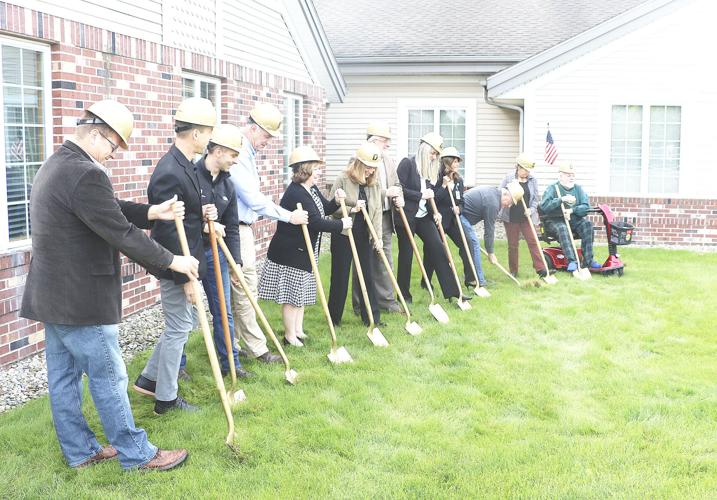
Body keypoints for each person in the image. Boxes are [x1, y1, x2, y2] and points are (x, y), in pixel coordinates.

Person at [20, 99, 196, 471]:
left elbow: (105, 208)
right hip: (82, 300)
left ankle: (80, 451)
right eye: (114, 147)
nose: (114, 155)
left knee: (64, 379)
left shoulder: (58, 163)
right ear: (98, 135)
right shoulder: (87, 173)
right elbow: (120, 231)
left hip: (53, 296)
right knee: (109, 377)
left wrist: (152, 212)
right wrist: (172, 259)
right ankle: (138, 453)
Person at [134, 97, 218, 415]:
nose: (209, 139)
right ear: (195, 133)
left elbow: (188, 215)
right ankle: (166, 399)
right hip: (174, 265)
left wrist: (204, 210)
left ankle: (149, 379)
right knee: (179, 328)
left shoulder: (187, 165)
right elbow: (168, 230)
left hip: (189, 260)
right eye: (208, 132)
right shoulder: (170, 170)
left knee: (180, 324)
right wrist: (184, 277)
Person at [230, 103, 308, 361]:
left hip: (243, 229)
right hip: (236, 231)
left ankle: (232, 345)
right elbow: (252, 199)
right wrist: (289, 216)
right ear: (253, 128)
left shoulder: (248, 152)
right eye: (266, 136)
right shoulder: (239, 153)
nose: (268, 142)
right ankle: (258, 349)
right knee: (246, 291)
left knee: (239, 292)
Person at [258, 146, 350, 346]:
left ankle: (298, 330)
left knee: (301, 293)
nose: (319, 172)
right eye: (316, 168)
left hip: (305, 250)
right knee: (292, 296)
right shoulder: (296, 193)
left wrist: (335, 201)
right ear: (306, 169)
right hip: (291, 252)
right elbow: (315, 222)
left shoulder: (311, 189)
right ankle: (289, 336)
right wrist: (341, 224)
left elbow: (323, 209)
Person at [194, 124, 254, 379]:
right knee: (185, 315)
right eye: (233, 155)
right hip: (190, 252)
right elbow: (179, 220)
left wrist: (236, 262)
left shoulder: (227, 185)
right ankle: (179, 368)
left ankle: (231, 364)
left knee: (223, 310)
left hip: (216, 254)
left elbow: (231, 227)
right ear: (217, 151)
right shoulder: (191, 176)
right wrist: (203, 225)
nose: (235, 160)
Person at [394, 132, 463, 303]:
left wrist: (436, 212)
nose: (434, 157)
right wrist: (420, 195)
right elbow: (399, 189)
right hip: (407, 216)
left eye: (436, 155)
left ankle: (453, 292)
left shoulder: (435, 168)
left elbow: (434, 194)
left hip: (424, 216)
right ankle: (404, 295)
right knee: (406, 255)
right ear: (424, 149)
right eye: (432, 153)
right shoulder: (407, 164)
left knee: (438, 248)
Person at [350, 121, 403, 315]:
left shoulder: (387, 160)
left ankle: (387, 301)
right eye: (384, 141)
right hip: (365, 218)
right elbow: (361, 190)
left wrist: (399, 196)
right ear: (373, 141)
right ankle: (360, 304)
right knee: (362, 261)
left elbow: (396, 183)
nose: (388, 145)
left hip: (386, 216)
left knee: (385, 259)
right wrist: (385, 193)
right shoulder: (356, 160)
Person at [328, 142, 383, 327]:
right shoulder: (343, 178)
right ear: (359, 164)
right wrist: (352, 208)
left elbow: (377, 211)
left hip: (363, 233)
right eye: (368, 167)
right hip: (344, 232)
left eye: (374, 168)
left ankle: (371, 318)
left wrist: (378, 237)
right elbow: (331, 209)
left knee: (367, 275)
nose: (371, 172)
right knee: (340, 276)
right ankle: (334, 319)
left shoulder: (374, 183)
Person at [424, 146, 475, 289]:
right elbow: (432, 200)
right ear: (446, 162)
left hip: (452, 219)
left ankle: (470, 279)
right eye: (455, 162)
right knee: (433, 250)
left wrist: (460, 208)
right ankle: (425, 280)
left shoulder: (459, 180)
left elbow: (461, 201)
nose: (457, 164)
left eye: (458, 162)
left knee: (467, 243)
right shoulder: (436, 178)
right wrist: (444, 186)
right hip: (438, 218)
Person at [539, 163, 601, 272]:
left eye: (573, 175)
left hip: (574, 219)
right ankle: (571, 261)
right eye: (568, 175)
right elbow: (544, 206)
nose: (571, 177)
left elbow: (586, 207)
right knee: (563, 228)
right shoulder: (553, 188)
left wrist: (572, 210)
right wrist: (560, 200)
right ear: (561, 176)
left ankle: (588, 261)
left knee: (587, 225)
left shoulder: (578, 189)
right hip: (555, 220)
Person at [498, 153, 548, 279]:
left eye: (528, 170)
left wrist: (531, 210)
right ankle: (513, 270)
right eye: (525, 170)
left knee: (533, 241)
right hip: (511, 216)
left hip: (526, 217)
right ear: (518, 167)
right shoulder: (509, 177)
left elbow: (536, 199)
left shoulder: (533, 180)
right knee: (513, 244)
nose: (527, 173)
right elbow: (500, 193)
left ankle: (541, 269)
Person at [461, 183, 524, 278]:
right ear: (506, 194)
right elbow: (489, 230)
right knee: (474, 244)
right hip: (459, 215)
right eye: (510, 201)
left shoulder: (493, 192)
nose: (509, 205)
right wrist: (490, 253)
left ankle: (472, 278)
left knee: (469, 246)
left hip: (462, 214)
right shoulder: (493, 203)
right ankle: (479, 280)